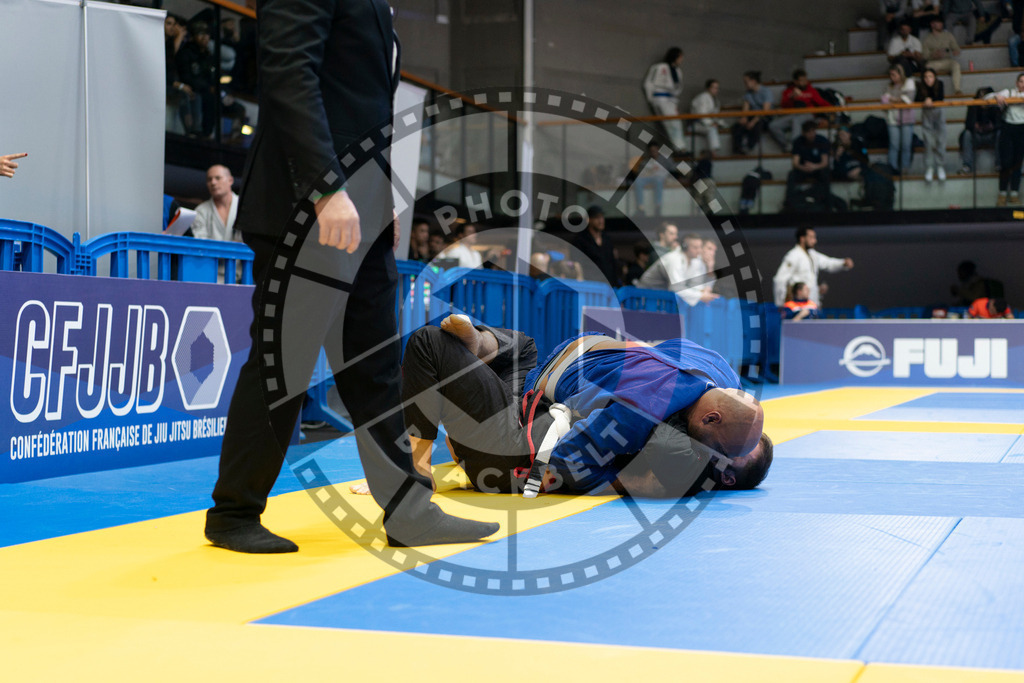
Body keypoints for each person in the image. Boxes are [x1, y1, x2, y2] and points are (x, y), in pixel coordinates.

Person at [205, 0, 498, 554]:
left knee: (374, 364)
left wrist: (379, 201)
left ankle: (407, 510)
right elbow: (290, 74)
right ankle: (233, 513)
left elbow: (363, 113)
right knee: (282, 361)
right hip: (307, 206)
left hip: (357, 210)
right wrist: (325, 189)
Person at [379, 315, 772, 498]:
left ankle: (483, 346)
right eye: (718, 450)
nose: (711, 455)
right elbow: (561, 462)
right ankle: (416, 466)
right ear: (712, 417)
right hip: (542, 407)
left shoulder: (719, 372)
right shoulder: (642, 419)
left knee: (522, 348)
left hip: (576, 354)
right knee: (432, 345)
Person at [773, 227, 854, 307]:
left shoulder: (813, 254)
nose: (815, 241)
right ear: (802, 238)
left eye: (814, 238)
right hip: (798, 305)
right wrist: (780, 304)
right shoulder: (793, 256)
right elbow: (779, 280)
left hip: (812, 303)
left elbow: (828, 262)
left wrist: (842, 263)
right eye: (811, 237)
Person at [769, 69, 830, 151]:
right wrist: (791, 97)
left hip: (808, 114)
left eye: (805, 80)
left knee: (796, 120)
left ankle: (795, 146)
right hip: (792, 114)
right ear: (796, 82)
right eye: (802, 80)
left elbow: (822, 102)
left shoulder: (811, 91)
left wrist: (833, 110)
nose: (805, 82)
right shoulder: (788, 91)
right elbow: (784, 106)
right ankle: (787, 145)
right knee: (773, 125)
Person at [986, 73, 1024, 205]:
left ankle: (1014, 193)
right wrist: (997, 96)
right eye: (1021, 81)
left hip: (1022, 130)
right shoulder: (1009, 92)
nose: (1023, 84)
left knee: (1018, 163)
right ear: (1016, 83)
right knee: (1006, 162)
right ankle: (1002, 193)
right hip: (1008, 129)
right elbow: (986, 97)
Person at [643, 47, 686, 150]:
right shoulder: (659, 67)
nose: (681, 59)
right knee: (671, 123)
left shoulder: (678, 70)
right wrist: (651, 99)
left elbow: (678, 88)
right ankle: (679, 148)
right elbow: (648, 84)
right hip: (660, 97)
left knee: (677, 123)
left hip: (671, 99)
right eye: (680, 57)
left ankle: (681, 147)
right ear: (675, 56)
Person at [785, 120, 831, 208]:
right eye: (809, 132)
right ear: (803, 133)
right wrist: (803, 167)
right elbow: (795, 162)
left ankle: (827, 204)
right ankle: (789, 203)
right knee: (792, 175)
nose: (811, 134)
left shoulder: (822, 140)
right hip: (803, 169)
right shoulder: (798, 142)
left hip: (818, 168)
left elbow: (825, 162)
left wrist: (815, 167)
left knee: (825, 173)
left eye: (813, 131)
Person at [882, 64, 917, 174]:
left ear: (900, 74)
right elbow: (884, 101)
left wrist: (893, 99)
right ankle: (892, 169)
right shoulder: (889, 86)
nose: (892, 77)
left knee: (906, 145)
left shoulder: (909, 83)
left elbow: (908, 100)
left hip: (906, 119)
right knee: (894, 145)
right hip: (892, 119)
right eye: (890, 75)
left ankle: (904, 169)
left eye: (894, 75)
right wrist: (898, 99)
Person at [572, 206, 620, 285]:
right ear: (589, 220)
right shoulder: (580, 240)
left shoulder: (607, 239)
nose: (601, 221)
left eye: (602, 217)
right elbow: (577, 263)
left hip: (609, 285)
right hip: (591, 285)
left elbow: (612, 263)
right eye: (597, 218)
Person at [191, 165, 240, 242]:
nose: (213, 183)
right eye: (209, 179)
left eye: (218, 178)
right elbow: (201, 244)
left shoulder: (243, 206)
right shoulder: (201, 211)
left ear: (230, 180)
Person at [959, 87, 1000, 175]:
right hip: (977, 135)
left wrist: (992, 127)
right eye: (980, 97)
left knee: (1000, 134)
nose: (983, 99)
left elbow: (1000, 124)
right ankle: (967, 165)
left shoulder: (995, 107)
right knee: (967, 134)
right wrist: (974, 126)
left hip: (991, 135)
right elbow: (968, 124)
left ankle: (999, 164)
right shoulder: (973, 106)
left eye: (985, 96)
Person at [732, 71, 774, 155]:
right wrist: (744, 118)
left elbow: (765, 110)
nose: (745, 84)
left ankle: (749, 147)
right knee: (736, 127)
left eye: (746, 82)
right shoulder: (748, 93)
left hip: (764, 117)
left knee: (757, 126)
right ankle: (738, 149)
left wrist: (753, 121)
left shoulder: (766, 92)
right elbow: (745, 108)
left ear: (753, 81)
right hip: (753, 115)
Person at [916, 67, 948, 181]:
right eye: (925, 77)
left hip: (939, 112)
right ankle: (929, 167)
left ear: (934, 77)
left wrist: (930, 99)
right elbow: (916, 99)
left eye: (930, 76)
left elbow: (940, 97)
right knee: (928, 142)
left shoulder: (940, 84)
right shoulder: (920, 86)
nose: (928, 79)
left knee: (941, 140)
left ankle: (940, 166)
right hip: (926, 114)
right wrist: (925, 99)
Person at [921, 15, 963, 95]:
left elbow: (956, 48)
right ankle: (930, 91)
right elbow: (925, 56)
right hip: (933, 62)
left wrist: (955, 51)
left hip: (947, 60)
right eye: (938, 22)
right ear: (932, 24)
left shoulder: (948, 35)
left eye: (941, 22)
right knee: (927, 68)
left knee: (956, 65)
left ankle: (957, 89)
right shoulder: (927, 39)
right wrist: (933, 55)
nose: (941, 24)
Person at [630, 141, 669, 216]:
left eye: (655, 150)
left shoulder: (665, 159)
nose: (653, 153)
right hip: (648, 178)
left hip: (659, 178)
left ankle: (658, 207)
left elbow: (672, 170)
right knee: (638, 182)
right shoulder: (645, 161)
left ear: (658, 150)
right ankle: (640, 208)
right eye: (651, 151)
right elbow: (639, 173)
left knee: (658, 181)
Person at [689, 79, 722, 157]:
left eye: (717, 88)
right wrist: (711, 123)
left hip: (706, 123)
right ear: (708, 88)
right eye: (714, 87)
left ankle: (714, 151)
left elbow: (715, 115)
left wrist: (718, 123)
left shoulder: (715, 100)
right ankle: (714, 152)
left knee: (715, 127)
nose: (716, 90)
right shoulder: (702, 97)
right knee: (711, 128)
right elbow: (701, 114)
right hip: (696, 124)